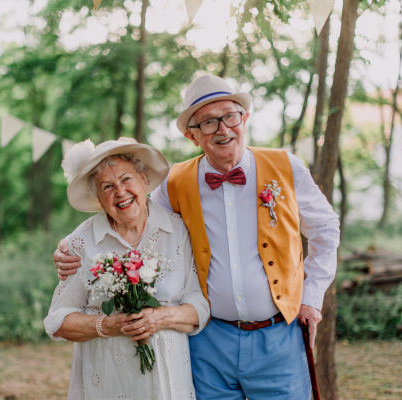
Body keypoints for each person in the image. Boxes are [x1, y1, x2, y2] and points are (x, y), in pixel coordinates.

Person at [54, 75, 340, 399]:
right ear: (193, 136)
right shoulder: (175, 182)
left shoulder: (286, 166)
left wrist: (312, 298)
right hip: (208, 341)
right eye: (208, 122)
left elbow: (326, 229)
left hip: (279, 335)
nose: (223, 129)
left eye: (230, 115)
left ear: (244, 118)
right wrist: (70, 247)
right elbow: (129, 212)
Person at [44, 137, 209, 400]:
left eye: (126, 179)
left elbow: (199, 304)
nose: (120, 192)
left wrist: (160, 318)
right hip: (109, 383)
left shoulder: (178, 229)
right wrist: (108, 325)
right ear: (98, 198)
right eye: (107, 186)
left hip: (169, 382)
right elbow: (58, 321)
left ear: (144, 181)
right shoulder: (80, 243)